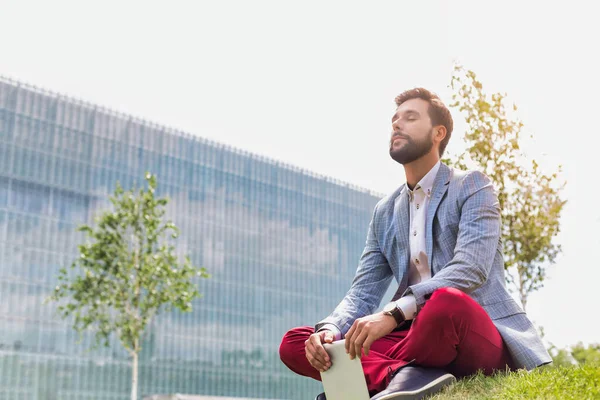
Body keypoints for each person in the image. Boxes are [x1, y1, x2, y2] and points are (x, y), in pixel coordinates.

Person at [279, 88, 551, 400]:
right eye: (394, 120)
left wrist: (393, 313)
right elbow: (362, 292)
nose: (397, 125)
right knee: (298, 342)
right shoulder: (385, 212)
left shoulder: (473, 185)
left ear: (439, 133)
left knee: (444, 303)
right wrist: (329, 330)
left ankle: (366, 382)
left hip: (467, 327)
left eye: (410, 118)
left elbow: (470, 269)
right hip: (413, 338)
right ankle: (398, 375)